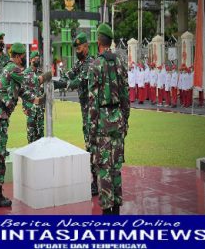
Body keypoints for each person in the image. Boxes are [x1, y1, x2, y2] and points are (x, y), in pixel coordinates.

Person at [0, 43, 51, 207]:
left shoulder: (12, 70)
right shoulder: (13, 69)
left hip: (0, 116)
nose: (24, 59)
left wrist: (37, 100)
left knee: (0, 152)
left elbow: (22, 90)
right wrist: (45, 77)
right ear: (17, 56)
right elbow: (29, 81)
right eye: (23, 56)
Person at [88, 23, 130, 215]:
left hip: (103, 121)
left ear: (99, 42)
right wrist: (125, 121)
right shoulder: (121, 62)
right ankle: (116, 207)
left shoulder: (96, 64)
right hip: (118, 119)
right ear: (110, 41)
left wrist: (91, 130)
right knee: (116, 165)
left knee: (104, 166)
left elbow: (92, 102)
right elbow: (125, 96)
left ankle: (107, 211)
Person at [54, 32, 97, 196]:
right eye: (76, 49)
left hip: (93, 111)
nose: (77, 51)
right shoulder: (80, 63)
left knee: (92, 144)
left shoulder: (90, 63)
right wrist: (59, 80)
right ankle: (96, 180)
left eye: (79, 48)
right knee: (89, 143)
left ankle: (97, 182)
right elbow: (70, 74)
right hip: (86, 110)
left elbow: (81, 80)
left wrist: (63, 85)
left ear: (86, 47)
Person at [22, 51, 45, 143]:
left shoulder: (41, 73)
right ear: (31, 60)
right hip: (30, 108)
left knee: (41, 133)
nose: (37, 60)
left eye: (38, 58)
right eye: (35, 58)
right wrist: (24, 107)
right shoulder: (26, 73)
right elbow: (23, 91)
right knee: (31, 134)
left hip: (40, 108)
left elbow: (43, 90)